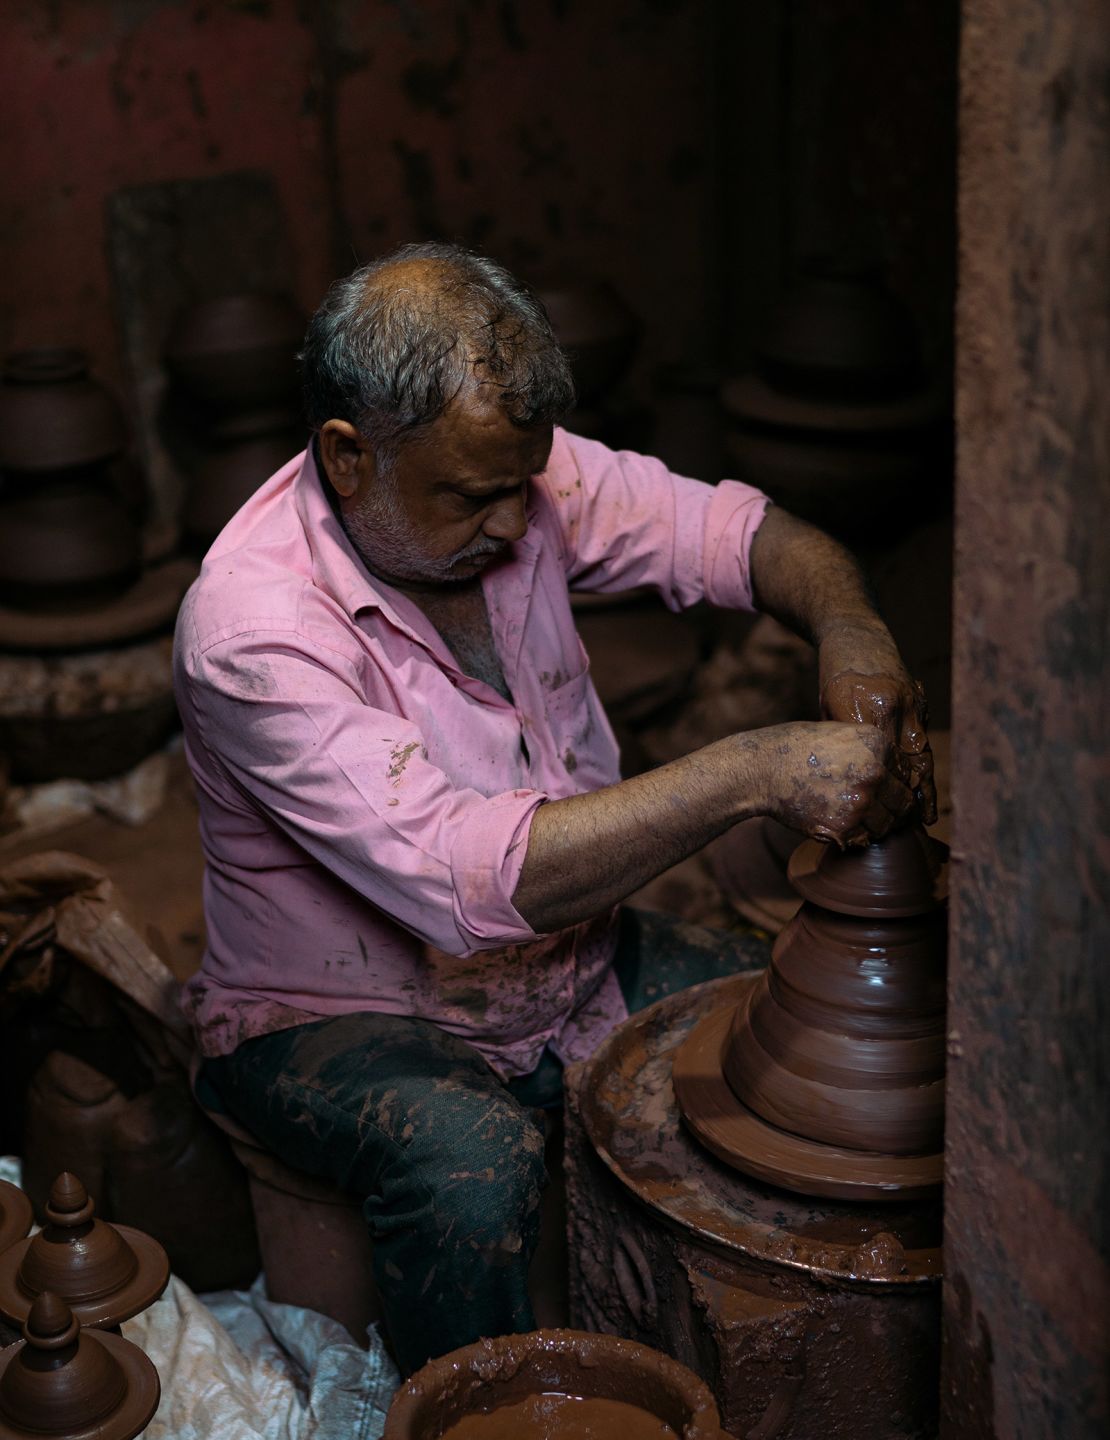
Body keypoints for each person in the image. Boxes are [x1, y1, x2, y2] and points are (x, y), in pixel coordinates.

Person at [176, 243, 933, 1374]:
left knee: (771, 1013)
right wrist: (750, 771)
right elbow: (471, 881)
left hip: (568, 963)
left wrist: (852, 627)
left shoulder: (514, 476)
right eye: (474, 495)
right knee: (471, 1159)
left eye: (522, 484)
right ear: (348, 455)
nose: (511, 520)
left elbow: (741, 534)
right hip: (329, 1014)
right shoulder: (252, 629)